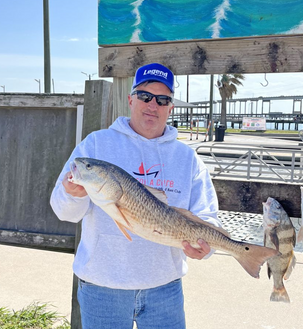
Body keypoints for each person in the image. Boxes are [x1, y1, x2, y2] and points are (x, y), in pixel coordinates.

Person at [50, 63, 221, 329]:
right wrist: (72, 194)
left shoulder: (188, 159)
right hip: (102, 287)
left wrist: (205, 251)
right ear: (130, 99)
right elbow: (64, 212)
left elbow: (207, 216)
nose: (153, 105)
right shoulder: (95, 146)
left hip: (165, 289)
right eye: (145, 96)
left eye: (162, 99)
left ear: (170, 108)